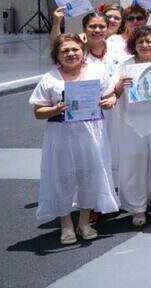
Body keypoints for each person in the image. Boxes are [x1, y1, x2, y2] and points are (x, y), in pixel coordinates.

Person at [31, 34, 119, 245]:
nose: (71, 54)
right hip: (61, 135)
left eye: (75, 49)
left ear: (82, 51)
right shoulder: (50, 78)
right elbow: (37, 111)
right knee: (63, 177)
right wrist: (55, 109)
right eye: (65, 51)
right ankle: (66, 224)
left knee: (90, 174)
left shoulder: (97, 71)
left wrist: (110, 102)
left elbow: (110, 95)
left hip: (92, 133)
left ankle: (84, 222)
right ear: (57, 56)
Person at [113, 26, 151, 226]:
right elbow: (114, 92)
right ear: (134, 45)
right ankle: (137, 208)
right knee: (134, 163)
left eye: (149, 41)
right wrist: (120, 84)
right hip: (132, 120)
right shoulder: (125, 65)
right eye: (140, 42)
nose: (145, 45)